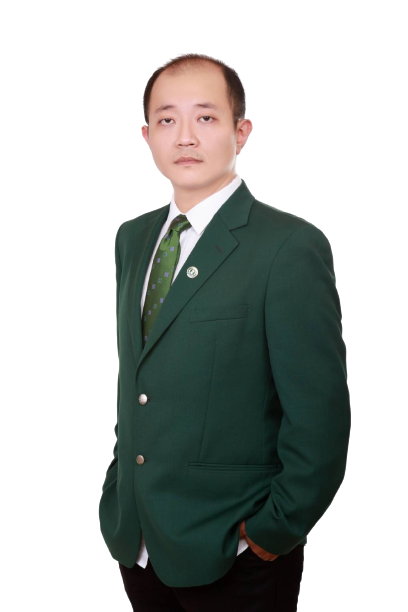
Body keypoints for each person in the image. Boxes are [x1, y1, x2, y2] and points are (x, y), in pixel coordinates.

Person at [99, 52, 350, 611]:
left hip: (234, 548)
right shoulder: (132, 239)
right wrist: (118, 489)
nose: (185, 136)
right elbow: (140, 376)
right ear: (147, 136)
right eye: (167, 119)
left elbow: (320, 415)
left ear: (241, 131)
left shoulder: (288, 245)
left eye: (206, 117)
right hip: (137, 542)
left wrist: (274, 530)